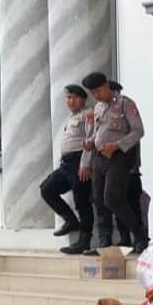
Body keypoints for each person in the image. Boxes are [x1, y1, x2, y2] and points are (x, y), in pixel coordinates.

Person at [82, 72, 148, 254]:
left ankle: (139, 235)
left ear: (106, 86)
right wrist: (90, 141)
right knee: (98, 199)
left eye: (98, 91)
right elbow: (98, 131)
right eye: (93, 93)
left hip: (118, 156)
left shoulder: (125, 104)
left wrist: (117, 145)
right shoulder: (98, 108)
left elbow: (138, 131)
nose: (96, 96)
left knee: (112, 198)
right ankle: (104, 243)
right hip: (99, 156)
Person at [40, 85, 96, 254]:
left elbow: (91, 141)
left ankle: (84, 241)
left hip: (80, 162)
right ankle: (71, 221)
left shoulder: (88, 115)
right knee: (47, 188)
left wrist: (85, 164)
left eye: (75, 97)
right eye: (68, 97)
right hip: (66, 164)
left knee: (82, 201)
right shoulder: (72, 117)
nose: (71, 101)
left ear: (83, 100)